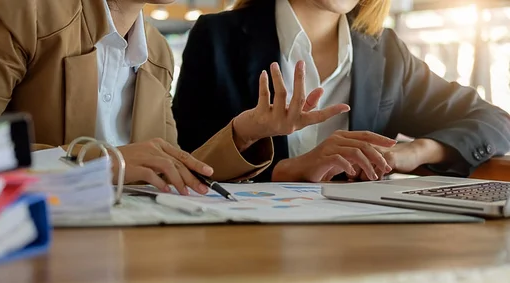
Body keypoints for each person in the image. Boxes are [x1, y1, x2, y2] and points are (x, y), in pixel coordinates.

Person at [0, 0, 348, 196]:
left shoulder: (156, 51)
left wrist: (244, 132)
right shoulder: (20, 8)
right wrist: (100, 162)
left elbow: (169, 165)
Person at [173, 0, 510, 183]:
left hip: (359, 244)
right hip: (246, 247)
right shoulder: (217, 38)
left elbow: (495, 122)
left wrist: (415, 152)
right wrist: (286, 170)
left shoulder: (387, 52)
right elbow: (186, 159)